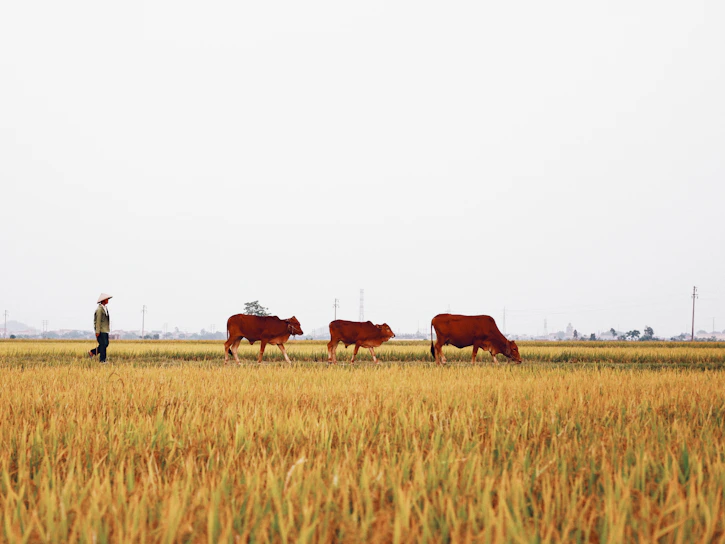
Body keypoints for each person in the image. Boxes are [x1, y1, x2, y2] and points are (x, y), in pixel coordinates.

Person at [89, 293, 112, 363]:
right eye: (107, 299)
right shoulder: (99, 309)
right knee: (103, 345)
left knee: (105, 344)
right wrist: (97, 331)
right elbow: (98, 321)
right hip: (101, 330)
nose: (108, 300)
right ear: (103, 300)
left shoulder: (105, 308)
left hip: (105, 330)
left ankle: (92, 352)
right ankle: (102, 360)